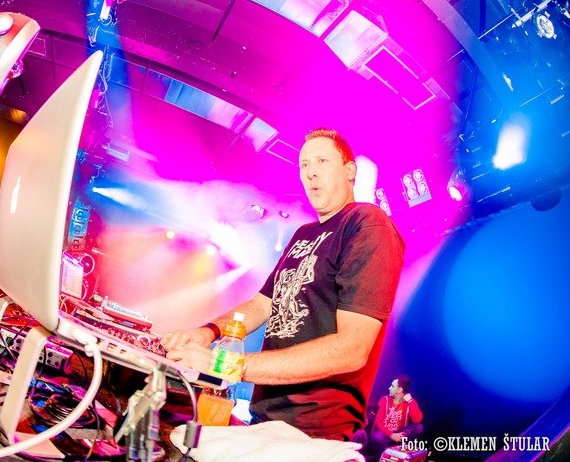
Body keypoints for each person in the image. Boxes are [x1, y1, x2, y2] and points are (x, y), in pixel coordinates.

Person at [163, 128, 405, 441]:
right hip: (266, 418)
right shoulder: (304, 234)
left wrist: (224, 364)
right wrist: (207, 332)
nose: (311, 172)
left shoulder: (366, 223)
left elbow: (352, 349)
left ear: (349, 171)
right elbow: (262, 304)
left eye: (322, 161)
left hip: (313, 432)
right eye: (304, 165)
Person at [369, 375, 423, 456]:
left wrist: (410, 401)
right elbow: (378, 422)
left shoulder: (409, 402)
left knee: (419, 427)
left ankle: (400, 451)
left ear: (399, 390)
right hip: (385, 435)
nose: (389, 388)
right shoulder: (385, 399)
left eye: (392, 386)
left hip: (399, 435)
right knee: (377, 436)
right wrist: (391, 435)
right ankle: (389, 456)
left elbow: (417, 420)